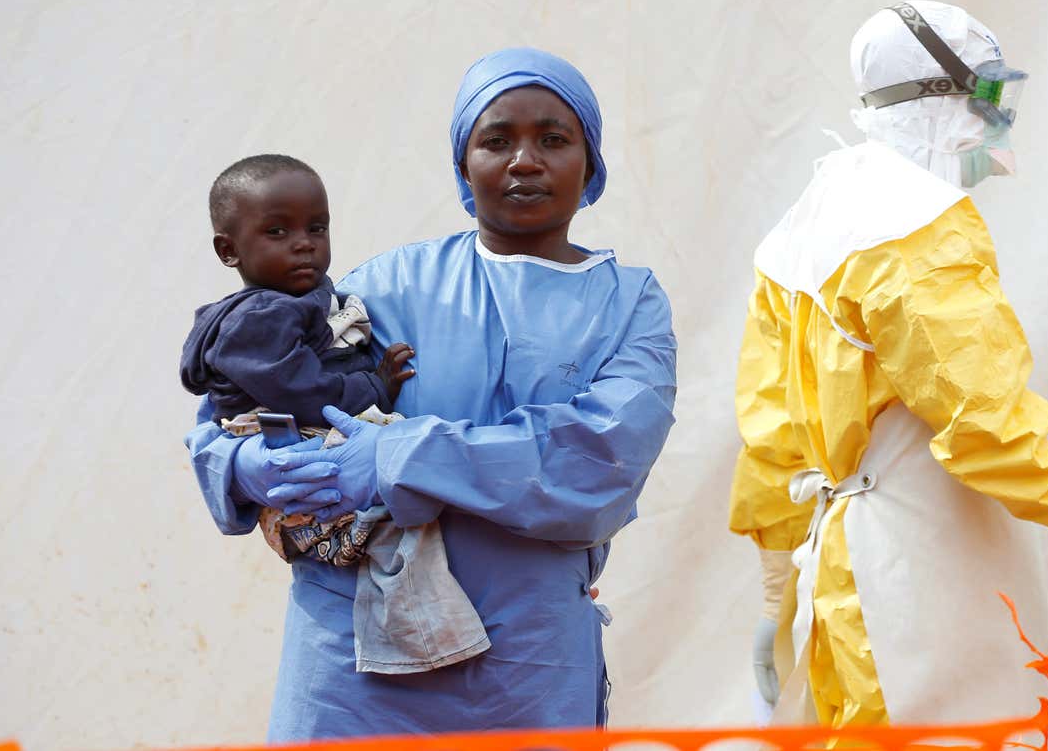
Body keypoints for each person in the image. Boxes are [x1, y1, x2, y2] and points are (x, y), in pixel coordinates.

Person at [184, 48, 678, 739]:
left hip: (527, 663)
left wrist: (400, 456)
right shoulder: (380, 287)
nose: (525, 161)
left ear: (590, 162)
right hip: (351, 664)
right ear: (462, 166)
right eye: (496, 140)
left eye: (554, 139)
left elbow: (598, 462)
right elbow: (234, 398)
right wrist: (242, 468)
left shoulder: (629, 305)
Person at [727, 0, 1048, 727]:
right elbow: (986, 428)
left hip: (840, 573)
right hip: (911, 576)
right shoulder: (920, 229)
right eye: (993, 97)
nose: (1001, 124)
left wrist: (773, 595)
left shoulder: (803, 223)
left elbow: (772, 440)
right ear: (945, 103)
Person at [179, 153, 488, 678]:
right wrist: (376, 385)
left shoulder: (297, 299)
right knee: (398, 514)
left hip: (309, 424)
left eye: (316, 228)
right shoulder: (260, 315)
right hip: (297, 434)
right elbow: (300, 392)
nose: (303, 243)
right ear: (228, 250)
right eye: (277, 231)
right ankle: (425, 638)